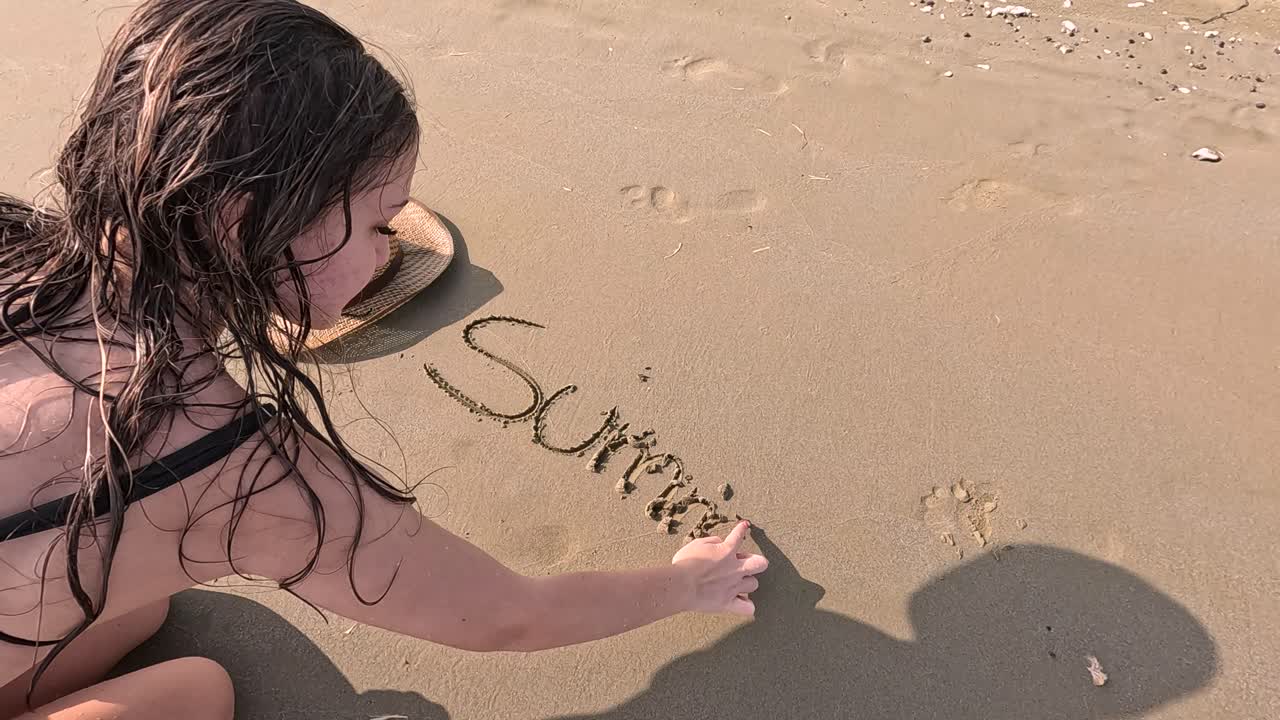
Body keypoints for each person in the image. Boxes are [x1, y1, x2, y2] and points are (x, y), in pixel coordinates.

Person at [0, 1, 768, 718]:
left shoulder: (15, 254)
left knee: (142, 601)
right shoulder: (225, 470)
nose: (385, 253)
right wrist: (689, 583)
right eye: (377, 222)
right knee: (196, 688)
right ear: (240, 219)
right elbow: (506, 617)